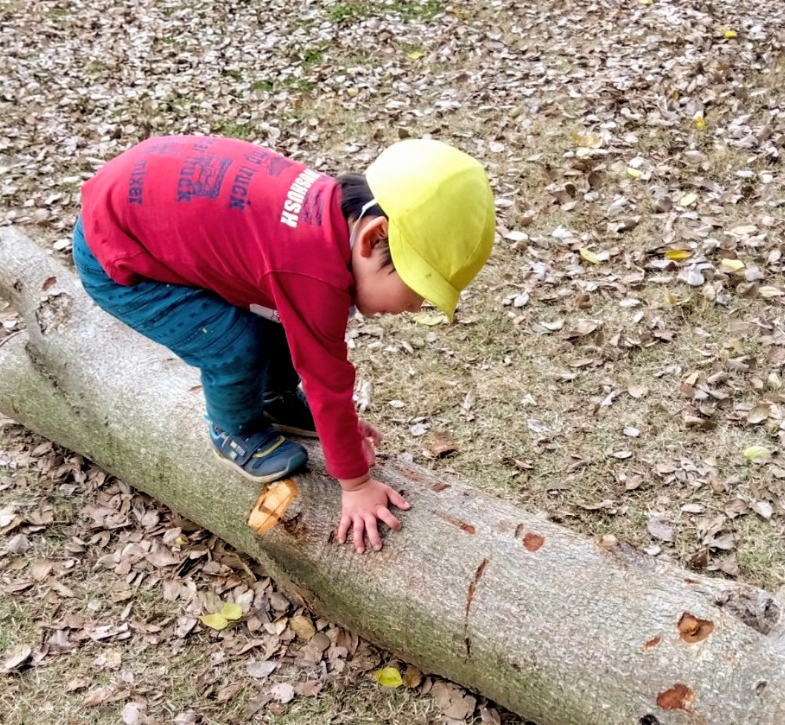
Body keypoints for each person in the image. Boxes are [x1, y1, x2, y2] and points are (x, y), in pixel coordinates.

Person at [72, 135, 495, 552]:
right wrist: (356, 484)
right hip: (119, 258)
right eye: (417, 287)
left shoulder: (328, 218)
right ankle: (234, 430)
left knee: (277, 315)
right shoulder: (313, 271)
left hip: (144, 214)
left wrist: (341, 433)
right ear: (373, 238)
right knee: (233, 343)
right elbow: (325, 380)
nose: (414, 305)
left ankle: (275, 399)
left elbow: (303, 338)